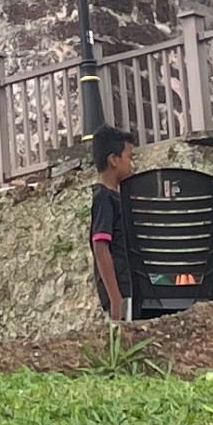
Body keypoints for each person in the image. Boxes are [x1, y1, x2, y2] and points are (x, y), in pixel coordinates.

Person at [83, 127, 138, 321]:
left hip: (130, 288)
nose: (132, 164)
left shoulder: (119, 197)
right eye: (129, 158)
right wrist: (116, 299)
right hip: (121, 292)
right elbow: (101, 247)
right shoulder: (104, 199)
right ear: (114, 160)